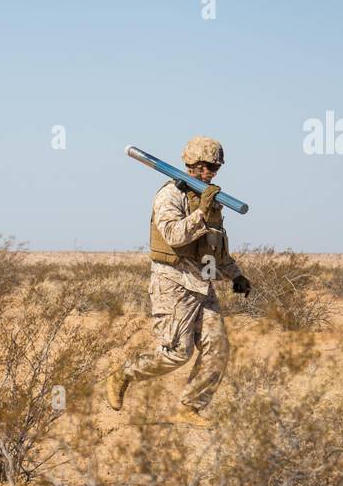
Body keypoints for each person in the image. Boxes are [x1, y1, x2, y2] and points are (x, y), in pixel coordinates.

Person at [103, 136, 252, 427]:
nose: (211, 173)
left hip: (203, 283)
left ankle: (190, 407)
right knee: (176, 353)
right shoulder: (169, 195)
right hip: (173, 284)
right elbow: (174, 235)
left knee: (217, 349)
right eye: (207, 166)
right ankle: (124, 373)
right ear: (192, 165)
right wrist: (201, 214)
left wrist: (236, 275)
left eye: (216, 168)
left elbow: (215, 246)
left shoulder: (209, 201)